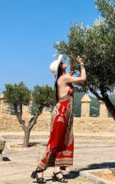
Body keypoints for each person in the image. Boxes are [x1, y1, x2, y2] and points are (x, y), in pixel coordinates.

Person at [31, 53, 86, 183]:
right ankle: (40, 169)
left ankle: (57, 170)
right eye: (62, 63)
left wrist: (72, 58)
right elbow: (83, 78)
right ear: (60, 68)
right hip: (61, 114)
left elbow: (71, 69)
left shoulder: (64, 77)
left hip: (65, 114)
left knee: (62, 142)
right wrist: (82, 64)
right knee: (55, 142)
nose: (64, 63)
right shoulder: (63, 79)